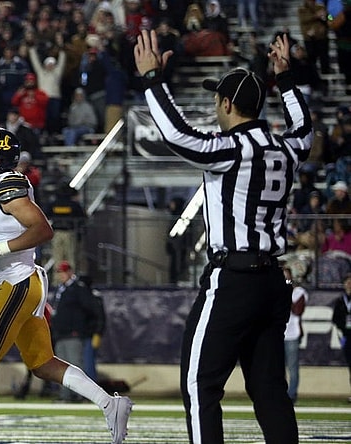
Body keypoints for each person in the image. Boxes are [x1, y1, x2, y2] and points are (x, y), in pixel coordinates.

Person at [133, 30, 312, 443]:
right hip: (271, 283)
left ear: (227, 104)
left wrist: (152, 81)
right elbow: (304, 131)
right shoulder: (285, 150)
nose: (216, 106)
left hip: (234, 278)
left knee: (200, 385)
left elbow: (178, 136)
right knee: (269, 390)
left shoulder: (235, 149)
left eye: (218, 99)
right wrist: (285, 80)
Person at [0, 127, 132, 444]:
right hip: (21, 282)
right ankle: (110, 403)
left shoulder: (8, 184)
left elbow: (43, 229)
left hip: (17, 282)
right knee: (43, 364)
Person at [51, 261, 106, 388]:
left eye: (64, 272)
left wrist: (94, 330)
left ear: (70, 272)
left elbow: (92, 310)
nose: (62, 275)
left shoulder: (78, 289)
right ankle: (66, 396)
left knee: (77, 365)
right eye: (60, 272)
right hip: (60, 334)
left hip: (74, 334)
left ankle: (80, 395)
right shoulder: (61, 289)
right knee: (62, 368)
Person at [283, 267, 308, 404]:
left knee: (292, 367)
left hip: (292, 334)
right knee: (278, 368)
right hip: (277, 333)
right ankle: (280, 394)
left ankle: (292, 395)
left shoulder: (298, 292)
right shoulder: (273, 291)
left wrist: (286, 294)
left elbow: (298, 311)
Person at [332, 273, 351, 403]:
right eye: (347, 282)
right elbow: (336, 318)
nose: (349, 284)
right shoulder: (340, 300)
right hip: (347, 336)